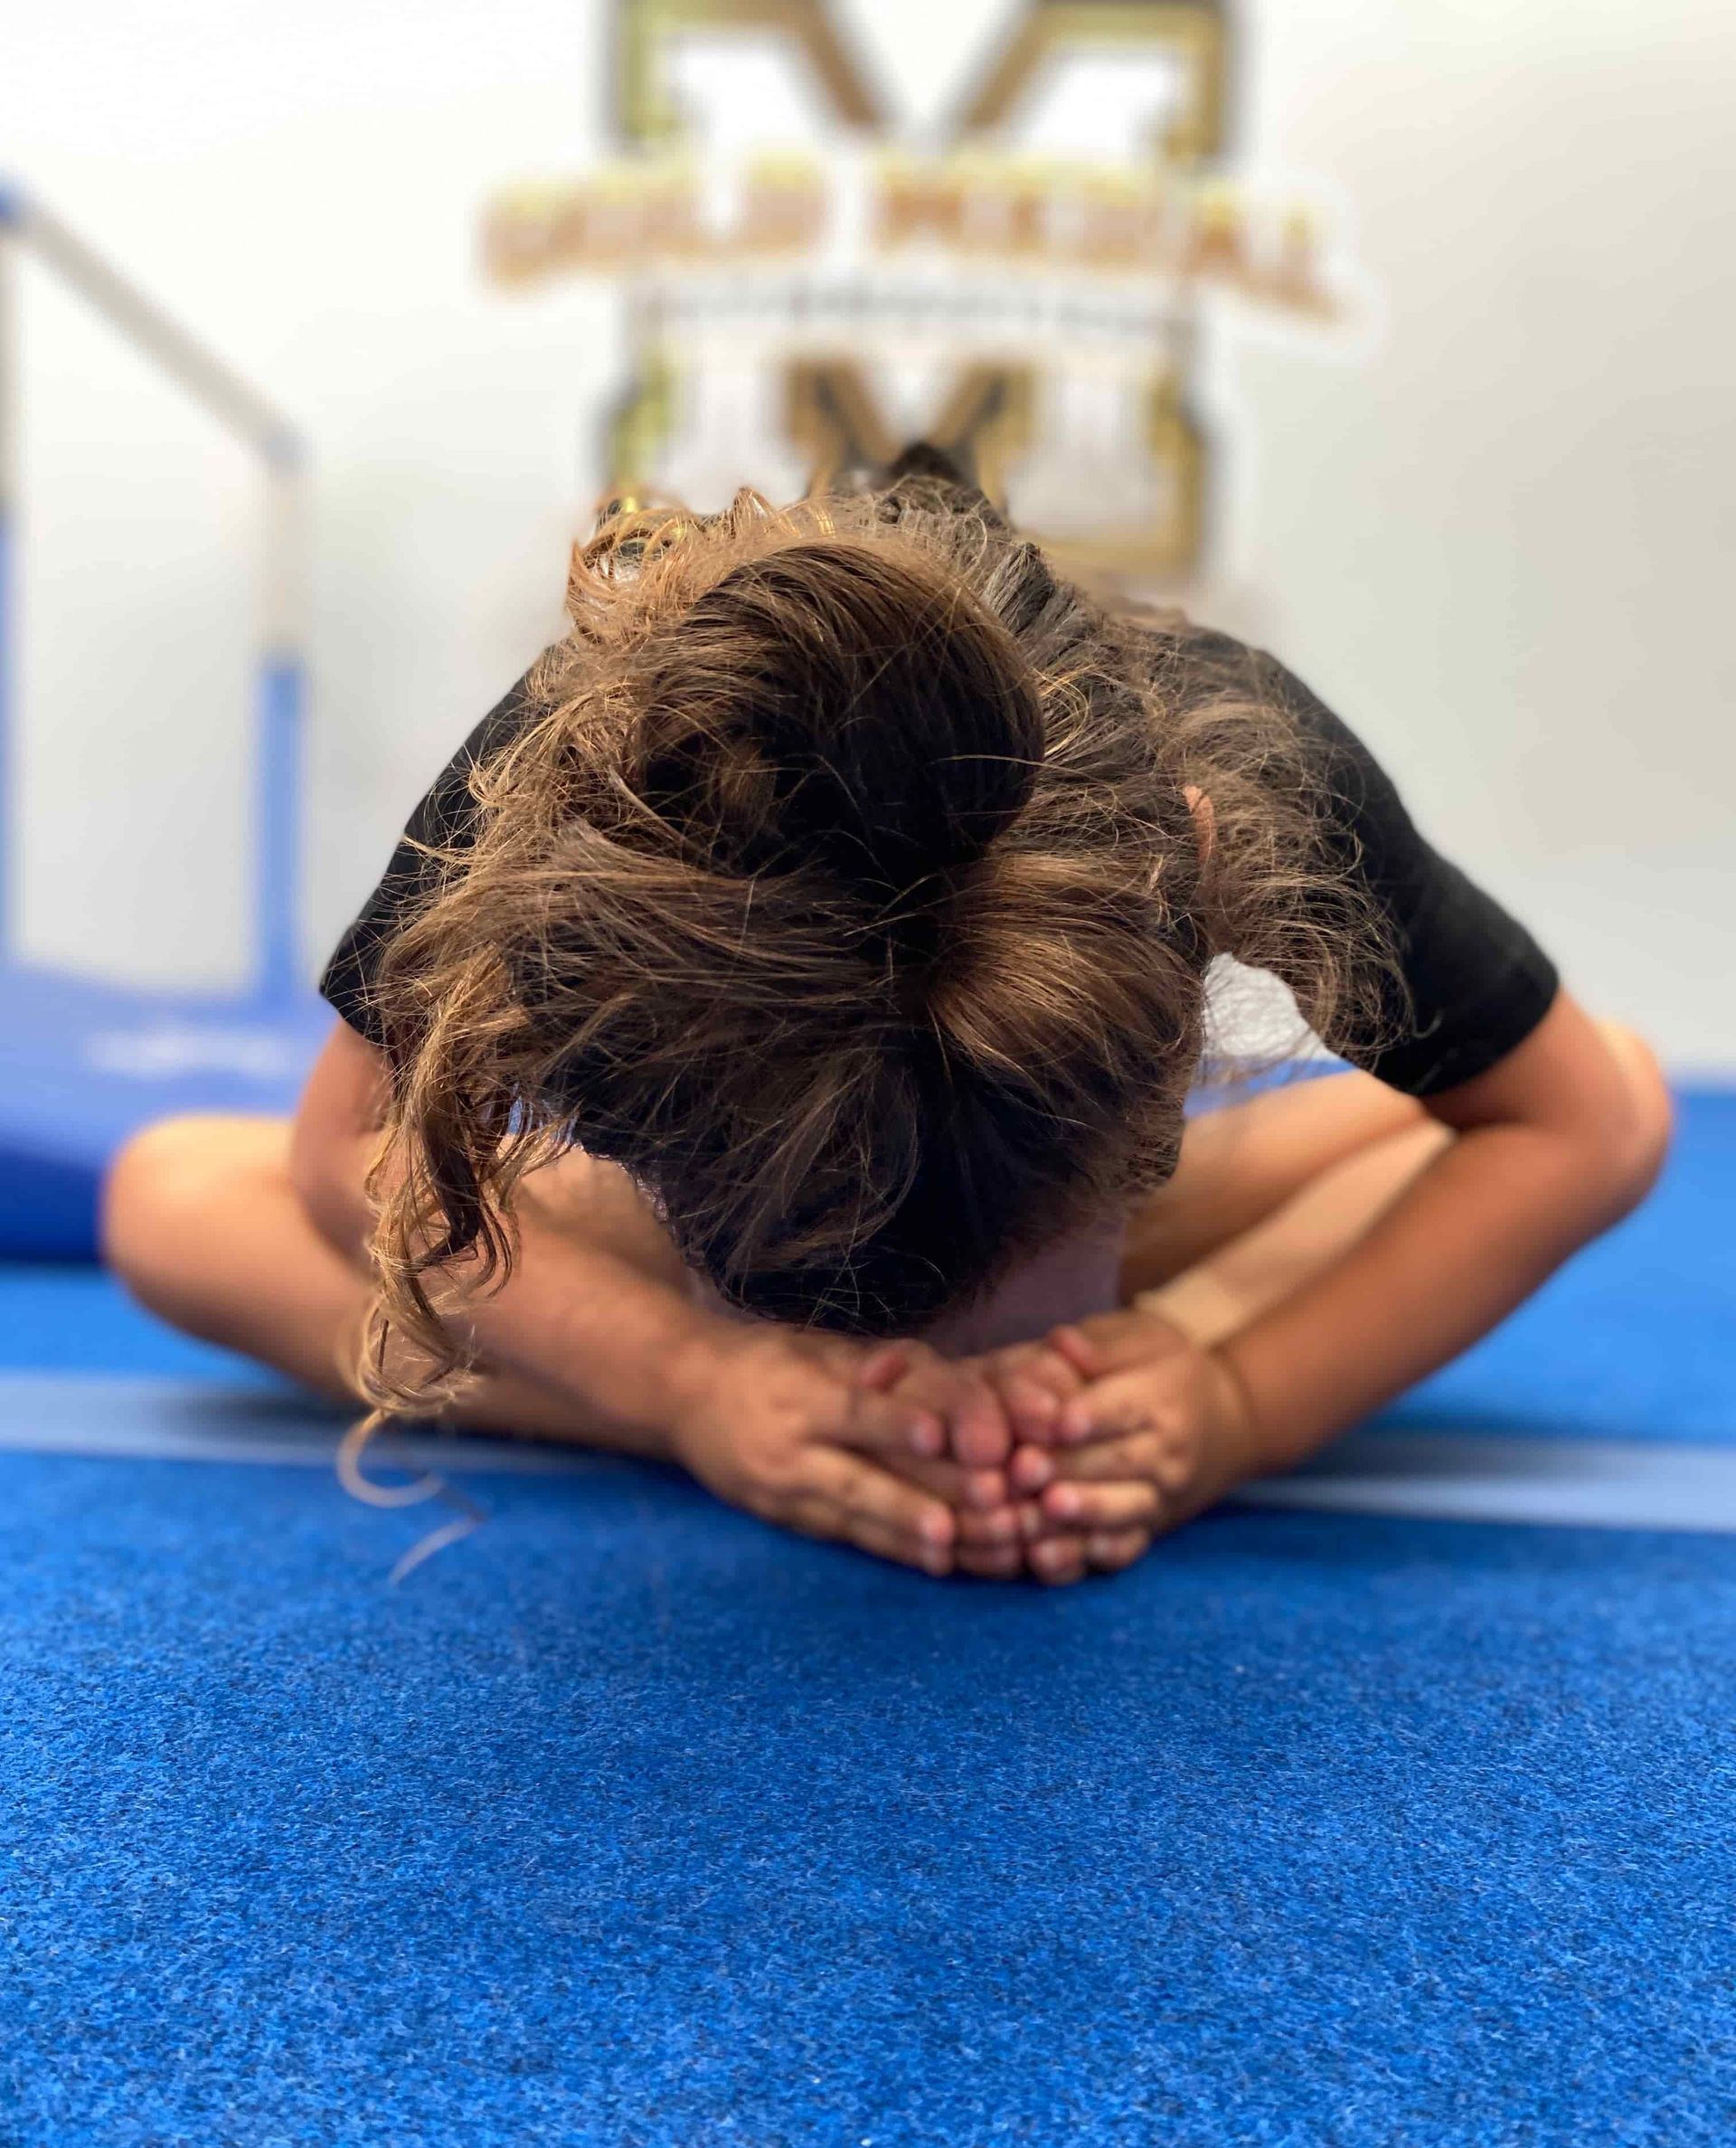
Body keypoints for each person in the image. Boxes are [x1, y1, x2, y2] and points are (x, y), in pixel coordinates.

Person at [102, 447, 1672, 1584]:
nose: (941, 1374)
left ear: (1194, 887)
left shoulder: (1254, 750)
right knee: (173, 1198)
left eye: (969, 1330)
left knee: (1604, 1070)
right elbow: (338, 1160)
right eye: (873, 1334)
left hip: (1009, 1143)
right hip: (756, 1208)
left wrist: (1227, 1395)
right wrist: (686, 1385)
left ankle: (1032, 1347)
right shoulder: (582, 783)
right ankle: (829, 1363)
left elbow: (1591, 1124)